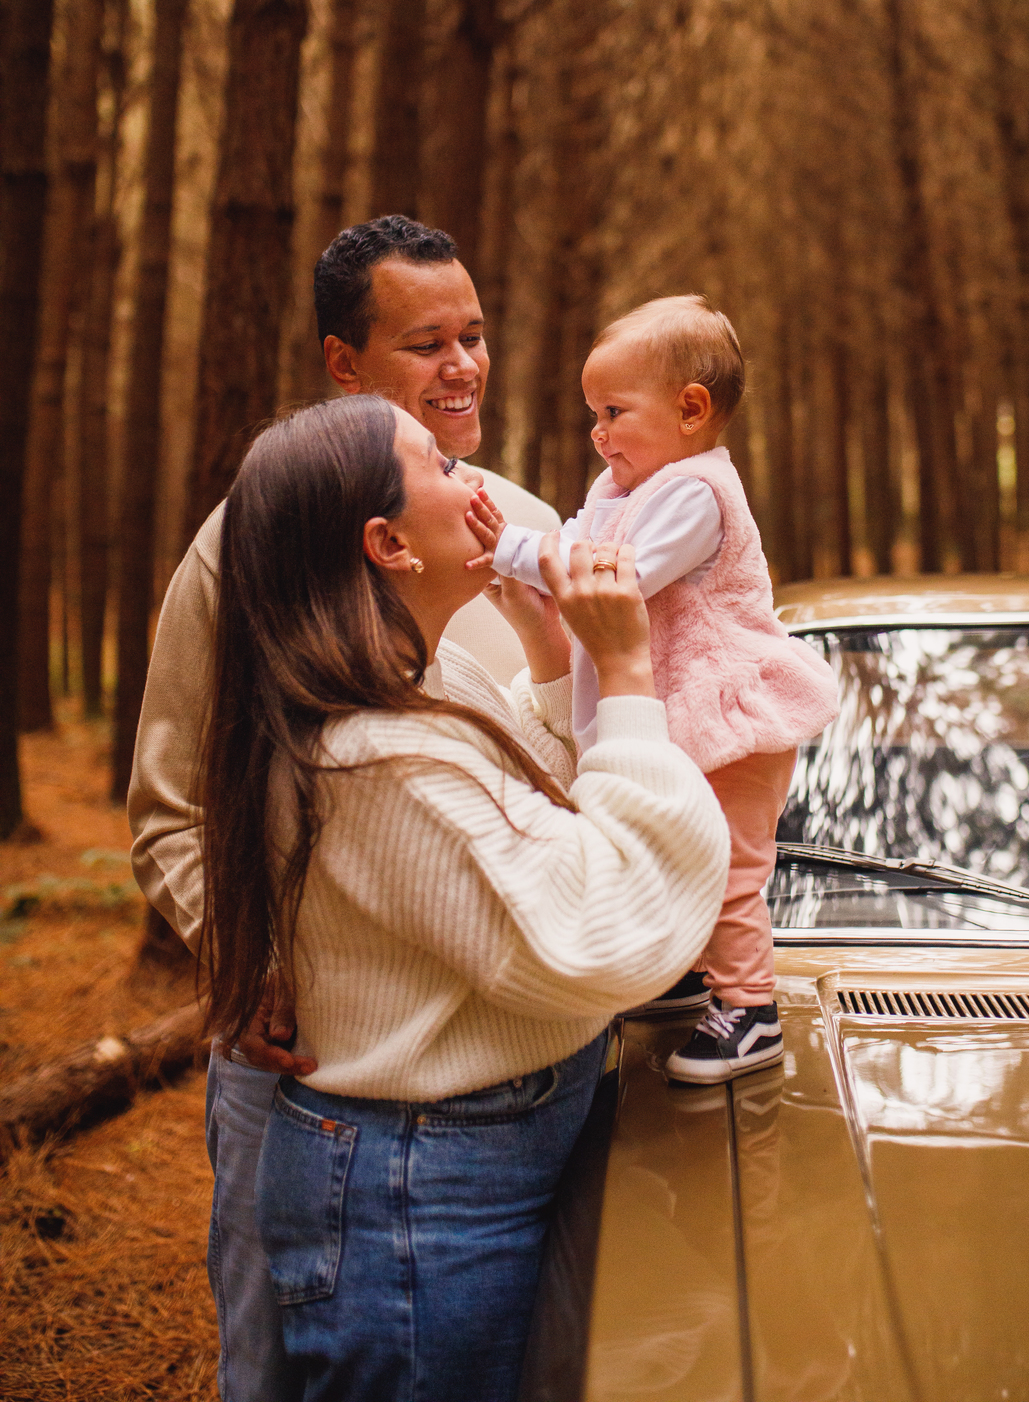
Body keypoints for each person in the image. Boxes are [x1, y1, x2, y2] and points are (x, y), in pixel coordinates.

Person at [200, 394, 731, 1402]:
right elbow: (601, 925)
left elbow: (533, 822)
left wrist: (549, 652)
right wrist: (624, 671)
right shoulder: (378, 755)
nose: (474, 482)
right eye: (442, 468)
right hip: (423, 1196)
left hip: (456, 1163)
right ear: (389, 544)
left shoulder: (422, 679)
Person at [127, 216, 558, 1402]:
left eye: (473, 335)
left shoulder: (529, 528)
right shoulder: (247, 546)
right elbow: (168, 806)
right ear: (343, 362)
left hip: (497, 1093)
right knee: (270, 1358)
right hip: (303, 1064)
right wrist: (248, 958)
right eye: (427, 343)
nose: (464, 366)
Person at [482, 295, 839, 1083]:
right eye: (593, 414)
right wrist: (528, 563)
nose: (597, 431)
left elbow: (613, 576)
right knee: (679, 851)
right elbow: (574, 545)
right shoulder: (623, 492)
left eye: (613, 411)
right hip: (680, 720)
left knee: (731, 868)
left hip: (730, 717)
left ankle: (750, 1010)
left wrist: (509, 546)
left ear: (690, 410)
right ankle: (686, 971)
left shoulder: (696, 493)